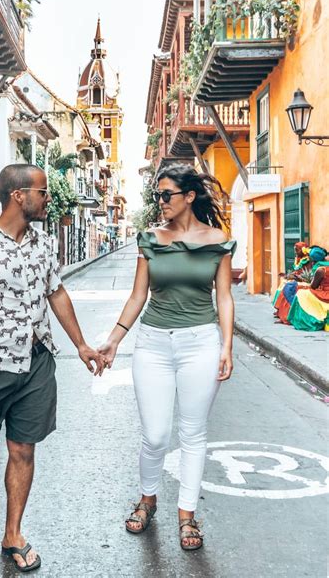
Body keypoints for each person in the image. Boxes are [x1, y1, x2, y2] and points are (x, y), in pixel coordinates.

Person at [0, 164, 105, 577]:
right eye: (43, 192)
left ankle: (13, 535)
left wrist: (81, 345)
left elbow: (57, 293)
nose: (49, 198)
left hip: (36, 364)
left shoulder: (43, 245)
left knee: (23, 451)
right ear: (19, 195)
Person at [99, 163, 235, 551]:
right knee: (155, 434)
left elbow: (223, 297)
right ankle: (148, 499)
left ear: (189, 196)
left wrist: (226, 345)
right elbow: (137, 296)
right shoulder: (149, 240)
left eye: (166, 195)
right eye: (157, 195)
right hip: (154, 343)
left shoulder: (217, 241)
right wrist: (114, 340)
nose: (160, 202)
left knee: (193, 433)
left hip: (201, 343)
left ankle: (187, 514)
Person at [288, 246, 329, 331]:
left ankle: (302, 320)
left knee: (301, 293)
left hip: (325, 294)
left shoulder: (321, 270)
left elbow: (313, 286)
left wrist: (303, 285)